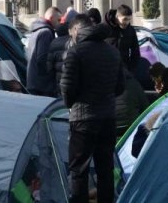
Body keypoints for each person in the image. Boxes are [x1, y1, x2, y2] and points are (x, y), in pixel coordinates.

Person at [61, 16, 125, 203]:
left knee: (78, 170)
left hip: (82, 118)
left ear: (75, 31)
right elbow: (120, 87)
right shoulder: (113, 52)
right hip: (107, 117)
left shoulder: (76, 52)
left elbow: (67, 89)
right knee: (105, 169)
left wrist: (73, 104)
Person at [48, 14, 86, 97]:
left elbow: (49, 66)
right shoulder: (72, 42)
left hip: (59, 82)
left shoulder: (53, 43)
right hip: (71, 81)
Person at [26, 6, 62, 96]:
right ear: (51, 18)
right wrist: (51, 75)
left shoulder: (36, 31)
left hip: (33, 81)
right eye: (58, 20)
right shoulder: (46, 32)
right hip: (42, 86)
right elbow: (43, 58)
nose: (60, 23)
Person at [104, 5, 140, 71]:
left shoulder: (130, 30)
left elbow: (135, 51)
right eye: (125, 19)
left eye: (129, 19)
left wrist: (131, 68)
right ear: (117, 17)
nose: (127, 22)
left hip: (124, 69)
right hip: (106, 68)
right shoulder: (105, 29)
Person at [115, 68, 149, 136]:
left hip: (110, 128)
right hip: (131, 126)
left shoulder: (102, 84)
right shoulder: (134, 83)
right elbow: (146, 108)